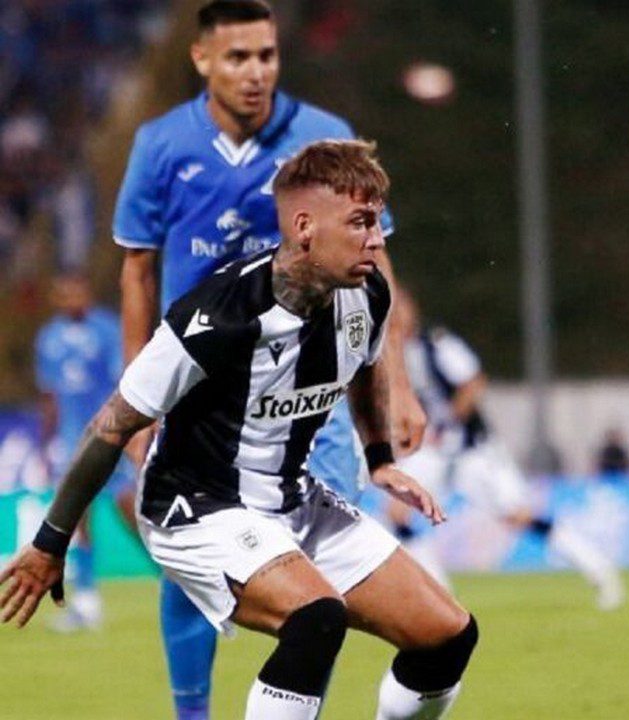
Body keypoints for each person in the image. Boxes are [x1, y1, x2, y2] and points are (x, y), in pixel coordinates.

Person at [1, 140, 478, 720]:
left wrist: (379, 457)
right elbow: (111, 425)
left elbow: (366, 365)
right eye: (360, 222)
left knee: (448, 636)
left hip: (291, 497)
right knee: (315, 619)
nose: (377, 240)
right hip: (196, 506)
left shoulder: (368, 294)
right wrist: (49, 544)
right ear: (304, 227)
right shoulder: (219, 314)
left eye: (376, 222)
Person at [111, 3, 426, 718]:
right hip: (204, 393)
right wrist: (139, 399)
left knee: (323, 587)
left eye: (267, 55)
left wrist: (397, 387)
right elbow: (137, 271)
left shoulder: (322, 136)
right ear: (202, 59)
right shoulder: (162, 145)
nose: (256, 72)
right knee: (192, 561)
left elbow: (377, 265)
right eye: (238, 57)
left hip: (314, 391)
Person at [390, 285, 625, 610]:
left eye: (401, 306)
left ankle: (598, 568)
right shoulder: (390, 355)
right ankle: (441, 595)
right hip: (432, 452)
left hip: (472, 450)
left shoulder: (438, 343)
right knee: (397, 511)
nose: (396, 315)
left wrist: (447, 422)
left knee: (517, 515)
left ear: (413, 309)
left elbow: (473, 384)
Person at [33, 274, 130, 631]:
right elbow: (49, 394)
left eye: (78, 291)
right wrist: (46, 441)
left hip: (110, 434)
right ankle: (87, 601)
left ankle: (178, 584)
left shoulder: (107, 329)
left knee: (131, 507)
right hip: (72, 438)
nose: (73, 298)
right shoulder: (48, 337)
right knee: (76, 518)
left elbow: (125, 382)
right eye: (66, 293)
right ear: (57, 298)